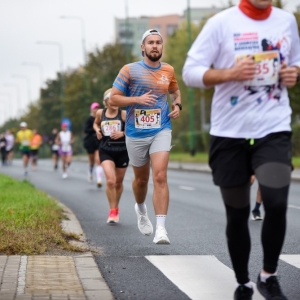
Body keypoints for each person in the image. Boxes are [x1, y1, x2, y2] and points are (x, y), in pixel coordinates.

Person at [182, 0, 300, 299]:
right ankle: (243, 281)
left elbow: (295, 63)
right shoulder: (221, 23)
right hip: (229, 134)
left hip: (272, 128)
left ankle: (268, 275)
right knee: (237, 213)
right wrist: (229, 74)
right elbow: (190, 72)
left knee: (275, 201)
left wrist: (292, 74)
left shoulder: (286, 21)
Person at [110, 29, 182, 244]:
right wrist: (137, 100)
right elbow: (114, 99)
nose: (154, 46)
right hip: (135, 132)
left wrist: (177, 105)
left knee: (160, 176)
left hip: (161, 129)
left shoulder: (168, 70)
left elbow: (175, 92)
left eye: (158, 42)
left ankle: (161, 229)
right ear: (142, 47)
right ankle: (141, 209)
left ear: (162, 46)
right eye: (150, 42)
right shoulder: (129, 70)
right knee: (141, 180)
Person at [93, 88, 129, 224]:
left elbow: (133, 128)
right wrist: (97, 130)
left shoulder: (124, 114)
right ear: (106, 102)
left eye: (116, 100)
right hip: (106, 149)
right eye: (111, 101)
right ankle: (112, 210)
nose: (114, 103)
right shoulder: (100, 113)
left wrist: (123, 133)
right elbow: (96, 123)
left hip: (122, 150)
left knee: (118, 183)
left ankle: (116, 207)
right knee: (110, 181)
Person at [83, 102, 103, 187]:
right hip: (90, 142)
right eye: (95, 108)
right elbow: (86, 130)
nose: (96, 110)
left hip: (99, 141)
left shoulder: (101, 118)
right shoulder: (89, 119)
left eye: (98, 108)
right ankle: (90, 172)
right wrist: (95, 129)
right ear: (92, 109)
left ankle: (99, 180)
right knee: (91, 161)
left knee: (98, 160)